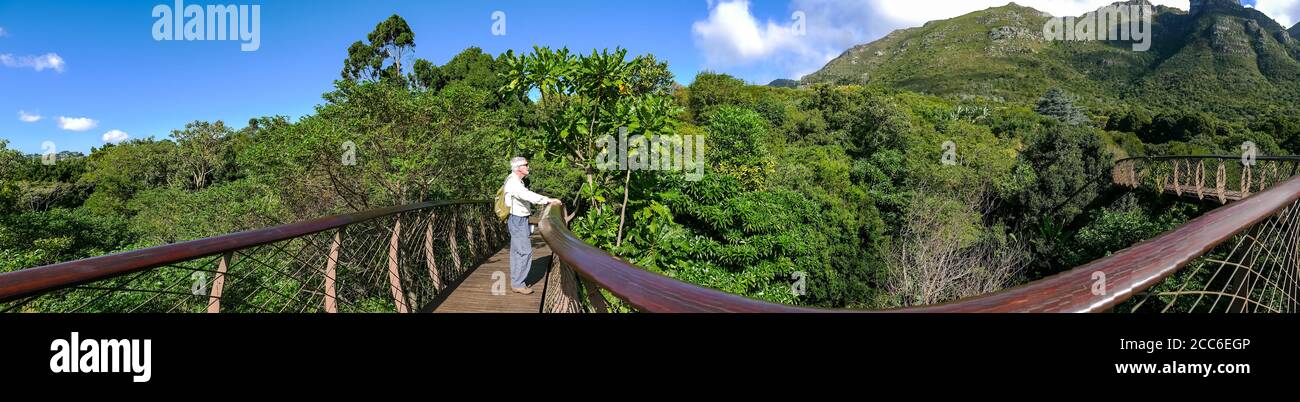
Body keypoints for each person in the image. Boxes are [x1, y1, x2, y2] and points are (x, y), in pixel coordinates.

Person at [502, 157, 560, 295]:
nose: (528, 167)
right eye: (526, 165)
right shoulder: (514, 183)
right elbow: (527, 195)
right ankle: (518, 284)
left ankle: (516, 281)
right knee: (525, 252)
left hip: (517, 219)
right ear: (518, 168)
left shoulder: (514, 180)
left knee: (517, 251)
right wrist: (548, 200)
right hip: (517, 220)